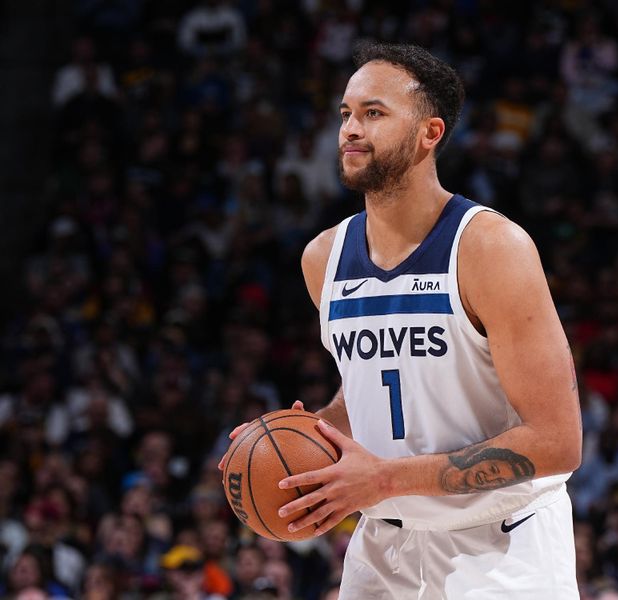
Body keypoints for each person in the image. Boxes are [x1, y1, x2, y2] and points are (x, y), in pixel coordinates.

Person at [222, 41, 582, 598]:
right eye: (345, 114)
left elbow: (557, 441)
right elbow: (378, 391)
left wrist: (384, 477)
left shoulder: (490, 248)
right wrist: (307, 438)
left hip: (502, 543)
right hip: (384, 543)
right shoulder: (323, 259)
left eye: (374, 113)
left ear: (429, 133)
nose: (350, 129)